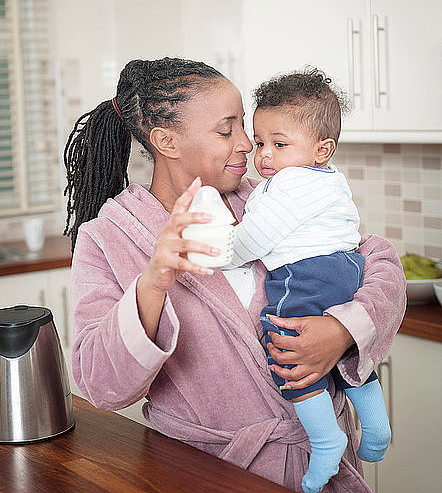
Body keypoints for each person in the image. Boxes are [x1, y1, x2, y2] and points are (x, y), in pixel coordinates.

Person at [63, 57, 406, 493]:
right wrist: (152, 283)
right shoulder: (111, 237)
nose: (247, 143)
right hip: (212, 472)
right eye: (227, 130)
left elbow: (376, 260)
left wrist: (343, 330)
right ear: (167, 141)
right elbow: (100, 386)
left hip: (325, 464)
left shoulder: (269, 194)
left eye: (245, 125)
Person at [225, 69, 392, 493]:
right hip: (345, 268)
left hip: (304, 274)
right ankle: (375, 425)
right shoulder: (326, 179)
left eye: (279, 144)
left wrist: (223, 250)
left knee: (285, 346)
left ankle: (325, 439)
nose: (264, 155)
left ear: (322, 149)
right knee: (345, 352)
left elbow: (254, 240)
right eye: (260, 142)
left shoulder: (290, 185)